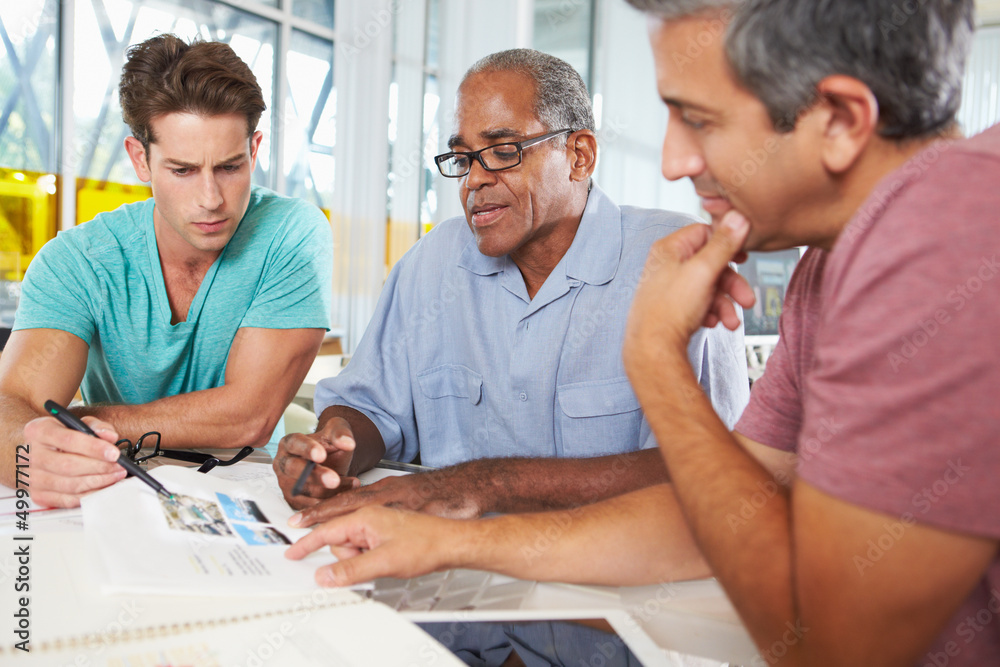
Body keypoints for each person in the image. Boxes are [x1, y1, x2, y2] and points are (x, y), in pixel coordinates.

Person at [287, 2, 1000, 666]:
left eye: (699, 119)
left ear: (842, 119)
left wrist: (653, 356)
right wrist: (453, 536)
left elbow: (839, 643)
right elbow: (724, 508)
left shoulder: (944, 236)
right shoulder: (831, 261)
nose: (673, 162)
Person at [273, 48, 749, 522]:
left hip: (609, 577)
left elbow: (707, 474)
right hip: (448, 564)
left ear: (579, 156)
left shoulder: (673, 262)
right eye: (462, 159)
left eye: (504, 152)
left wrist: (480, 486)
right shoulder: (431, 265)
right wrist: (333, 446)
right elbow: (371, 408)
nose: (474, 181)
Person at [0, 34, 333, 509]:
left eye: (230, 167)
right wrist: (32, 452)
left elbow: (249, 417)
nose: (211, 199)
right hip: (114, 495)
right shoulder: (77, 260)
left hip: (249, 497)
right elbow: (11, 404)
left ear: (254, 150)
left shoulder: (290, 233)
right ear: (140, 159)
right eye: (182, 170)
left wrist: (85, 417)